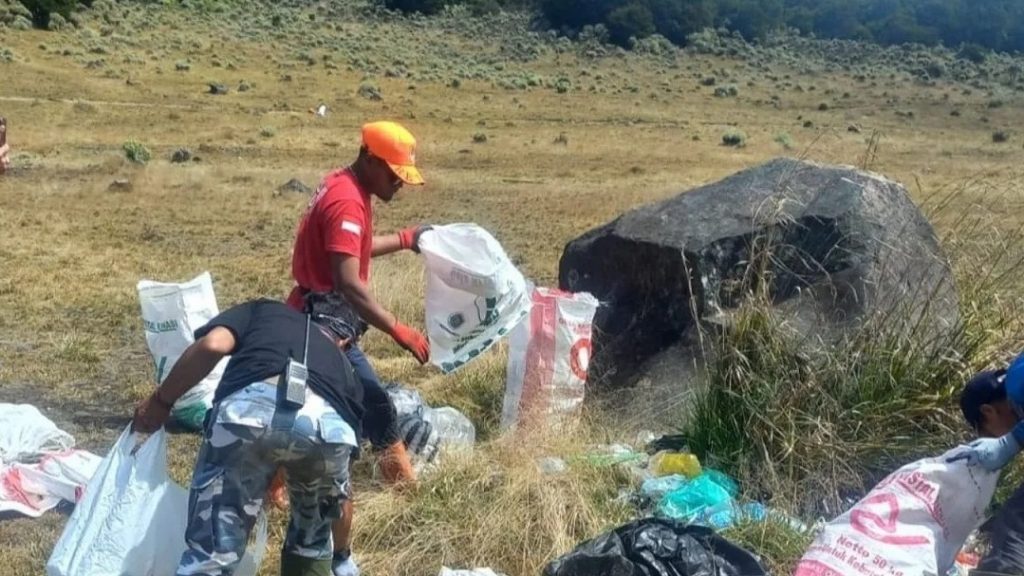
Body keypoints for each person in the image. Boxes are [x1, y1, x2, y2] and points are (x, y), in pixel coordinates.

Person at [131, 297, 366, 576]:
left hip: (245, 416)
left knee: (213, 555)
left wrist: (161, 401)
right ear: (345, 342)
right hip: (328, 429)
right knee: (311, 547)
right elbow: (343, 491)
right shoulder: (348, 373)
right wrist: (340, 556)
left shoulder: (265, 311)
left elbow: (212, 345)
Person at [285, 120, 433, 483]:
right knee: (348, 405)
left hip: (319, 321)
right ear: (370, 159)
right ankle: (403, 490)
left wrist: (404, 238)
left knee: (310, 406)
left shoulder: (344, 185)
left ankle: (403, 489)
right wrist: (399, 329)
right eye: (394, 174)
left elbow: (350, 249)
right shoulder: (347, 202)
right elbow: (349, 283)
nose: (399, 183)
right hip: (319, 326)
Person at [953, 356, 1024, 573]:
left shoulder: (1019, 388)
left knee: (1015, 524)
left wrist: (1012, 441)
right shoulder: (1017, 374)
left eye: (985, 433)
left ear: (988, 412)